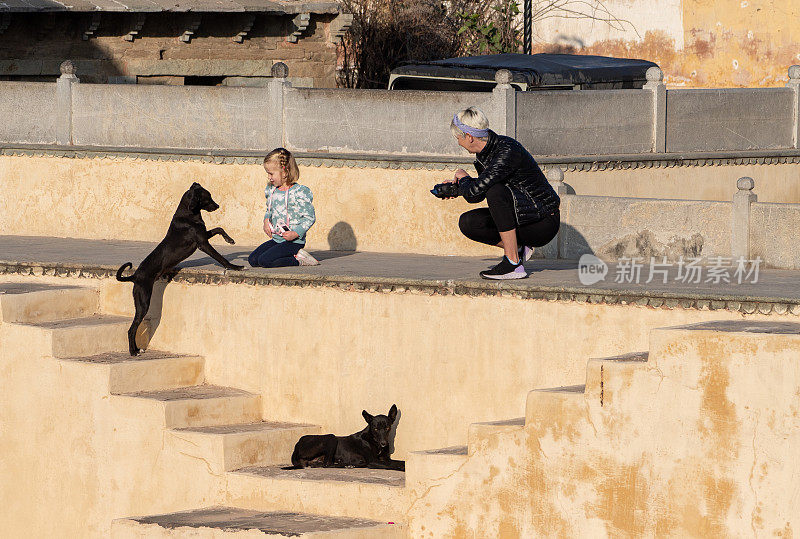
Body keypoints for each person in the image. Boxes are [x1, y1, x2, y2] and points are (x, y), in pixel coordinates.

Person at [445, 107, 560, 279]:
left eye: (458, 138)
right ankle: (518, 249)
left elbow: (476, 191)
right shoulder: (485, 154)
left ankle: (513, 263)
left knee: (495, 191)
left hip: (542, 222)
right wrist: (459, 188)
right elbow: (475, 195)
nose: (458, 143)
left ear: (469, 137)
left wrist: (463, 178)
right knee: (469, 223)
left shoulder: (506, 150)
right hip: (521, 218)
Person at [248, 148, 319, 267]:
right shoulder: (272, 190)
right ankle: (288, 255)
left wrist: (296, 233)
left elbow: (309, 218)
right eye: (268, 173)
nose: (269, 177)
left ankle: (299, 259)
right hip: (277, 239)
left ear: (285, 172)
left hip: (293, 242)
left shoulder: (299, 192)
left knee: (265, 261)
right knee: (253, 260)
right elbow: (269, 210)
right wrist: (266, 220)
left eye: (271, 173)